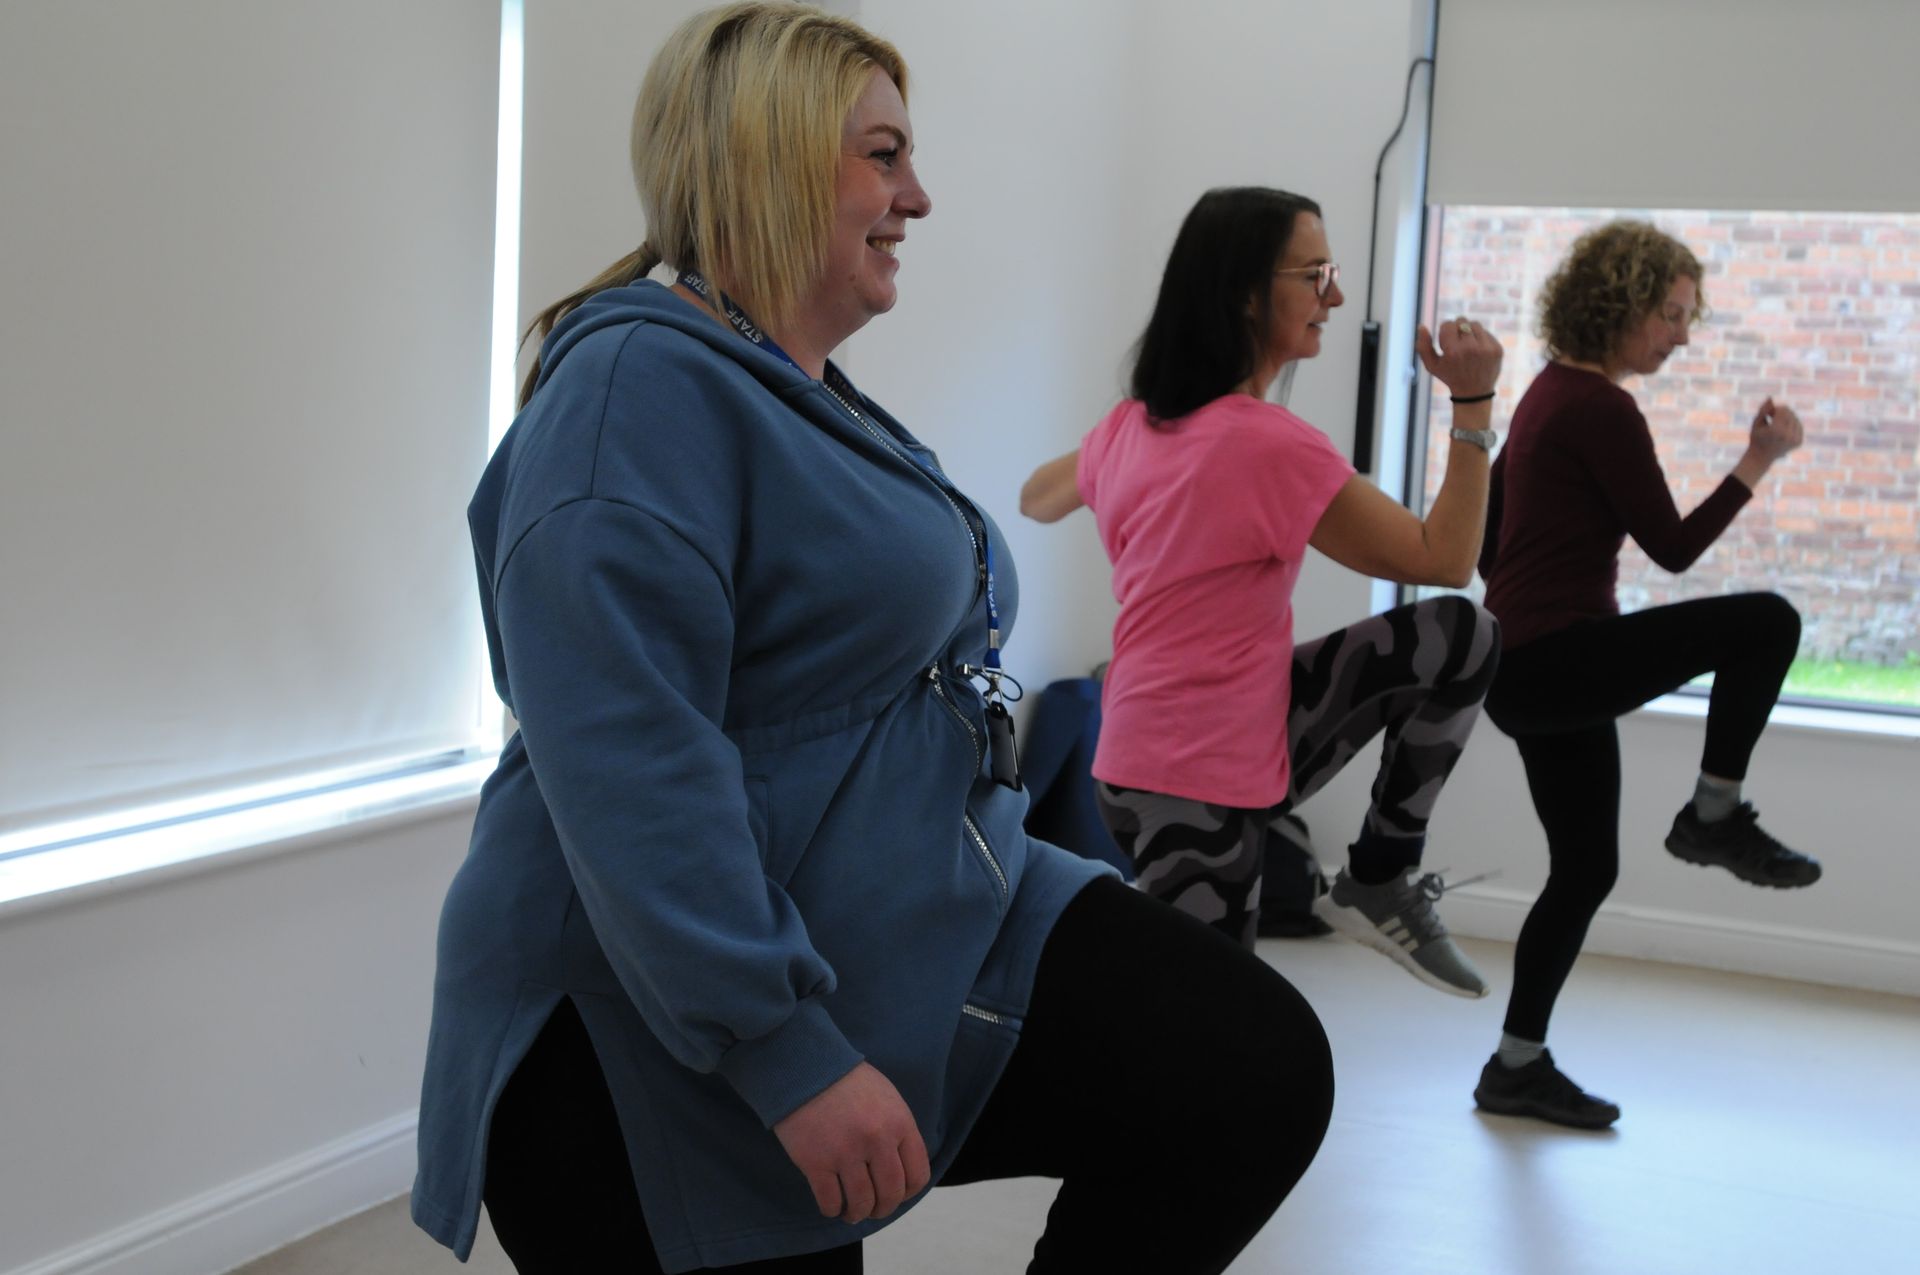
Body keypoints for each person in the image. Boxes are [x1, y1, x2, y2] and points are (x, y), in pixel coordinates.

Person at [410, 7, 1331, 1273]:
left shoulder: (790, 389)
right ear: (769, 161)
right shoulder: (633, 396)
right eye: (883, 156)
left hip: (885, 922)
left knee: (1245, 1071)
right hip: (638, 1039)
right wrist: (781, 1047)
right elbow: (629, 765)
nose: (919, 198)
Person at [1020, 186, 1507, 999]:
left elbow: (1036, 497)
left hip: (1168, 745)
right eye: (1315, 275)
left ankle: (1379, 877)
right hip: (1189, 777)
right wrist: (1472, 404)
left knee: (1462, 635)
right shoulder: (1267, 444)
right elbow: (1447, 557)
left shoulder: (1132, 427)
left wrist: (1117, 452)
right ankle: (1380, 873)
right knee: (1206, 1027)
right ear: (1247, 294)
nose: (1334, 297)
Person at [1471, 219, 1822, 1130]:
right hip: (1558, 660)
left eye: (1687, 316)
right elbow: (1672, 547)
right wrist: (1758, 460)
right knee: (1769, 623)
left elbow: (1485, 544)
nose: (1682, 335)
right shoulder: (1599, 408)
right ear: (1617, 304)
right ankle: (1713, 815)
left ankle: (1515, 1065)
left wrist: (1546, 600)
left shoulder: (1546, 395)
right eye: (1670, 314)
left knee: (1585, 868)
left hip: (1523, 666)